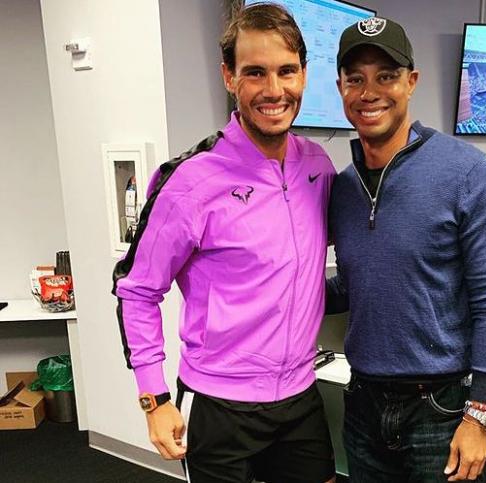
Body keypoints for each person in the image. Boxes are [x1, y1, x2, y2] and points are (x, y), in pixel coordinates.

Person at [112, 4, 336, 482]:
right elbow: (137, 291)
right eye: (255, 72)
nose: (274, 90)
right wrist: (154, 399)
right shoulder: (189, 181)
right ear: (229, 77)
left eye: (286, 71)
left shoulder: (318, 167)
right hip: (219, 404)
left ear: (303, 75)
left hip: (299, 396)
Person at [327, 17, 486, 482]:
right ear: (341, 88)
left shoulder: (469, 173)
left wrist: (479, 415)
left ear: (411, 82)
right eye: (356, 79)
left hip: (440, 407)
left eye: (386, 76)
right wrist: (275, 287)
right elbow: (355, 286)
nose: (370, 92)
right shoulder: (343, 190)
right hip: (363, 402)